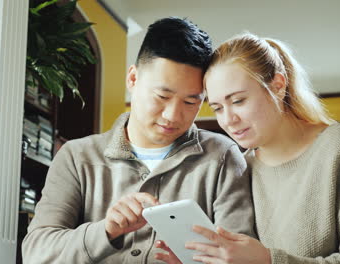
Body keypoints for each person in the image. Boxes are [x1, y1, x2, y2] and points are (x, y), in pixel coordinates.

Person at [22, 18, 257, 264]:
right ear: (133, 79)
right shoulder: (76, 156)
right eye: (162, 96)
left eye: (191, 102)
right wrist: (106, 230)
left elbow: (239, 254)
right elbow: (36, 254)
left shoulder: (221, 156)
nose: (173, 116)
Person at [157, 32, 340, 264]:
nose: (228, 120)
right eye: (217, 108)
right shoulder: (238, 169)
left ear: (277, 86)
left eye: (238, 101)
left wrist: (269, 260)